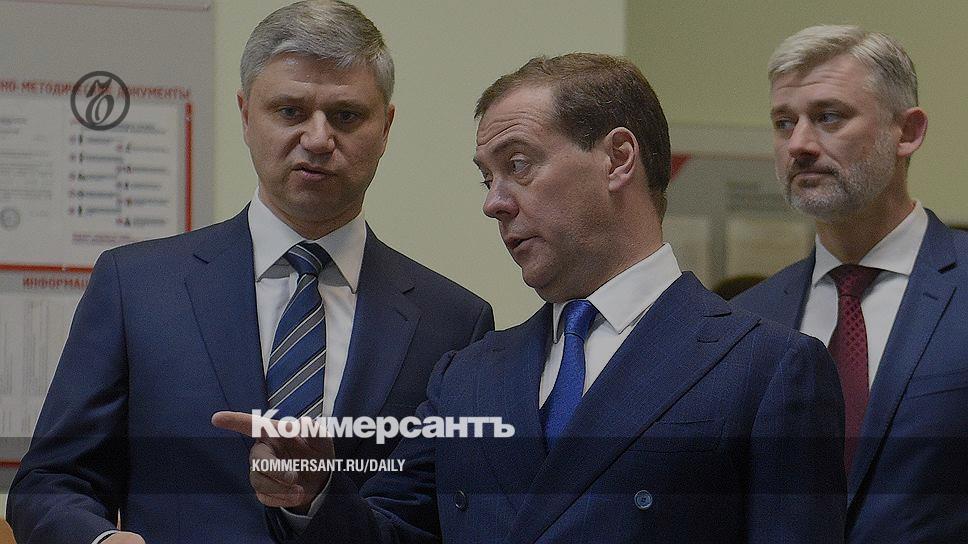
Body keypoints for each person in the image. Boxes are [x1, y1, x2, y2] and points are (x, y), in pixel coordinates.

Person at [215, 52, 846, 543]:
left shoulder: (766, 368)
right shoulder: (468, 375)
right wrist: (318, 493)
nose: (493, 202)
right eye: (487, 178)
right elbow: (396, 532)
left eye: (518, 164)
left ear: (617, 159)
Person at [6, 2, 493, 543]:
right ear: (245, 115)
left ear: (386, 128)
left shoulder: (454, 324)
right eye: (289, 111)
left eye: (346, 116)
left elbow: (444, 521)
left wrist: (319, 501)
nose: (318, 139)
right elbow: (49, 484)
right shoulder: (137, 288)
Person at [732, 25, 968, 541]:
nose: (798, 144)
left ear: (907, 132)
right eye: (783, 122)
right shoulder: (748, 320)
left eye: (829, 117)